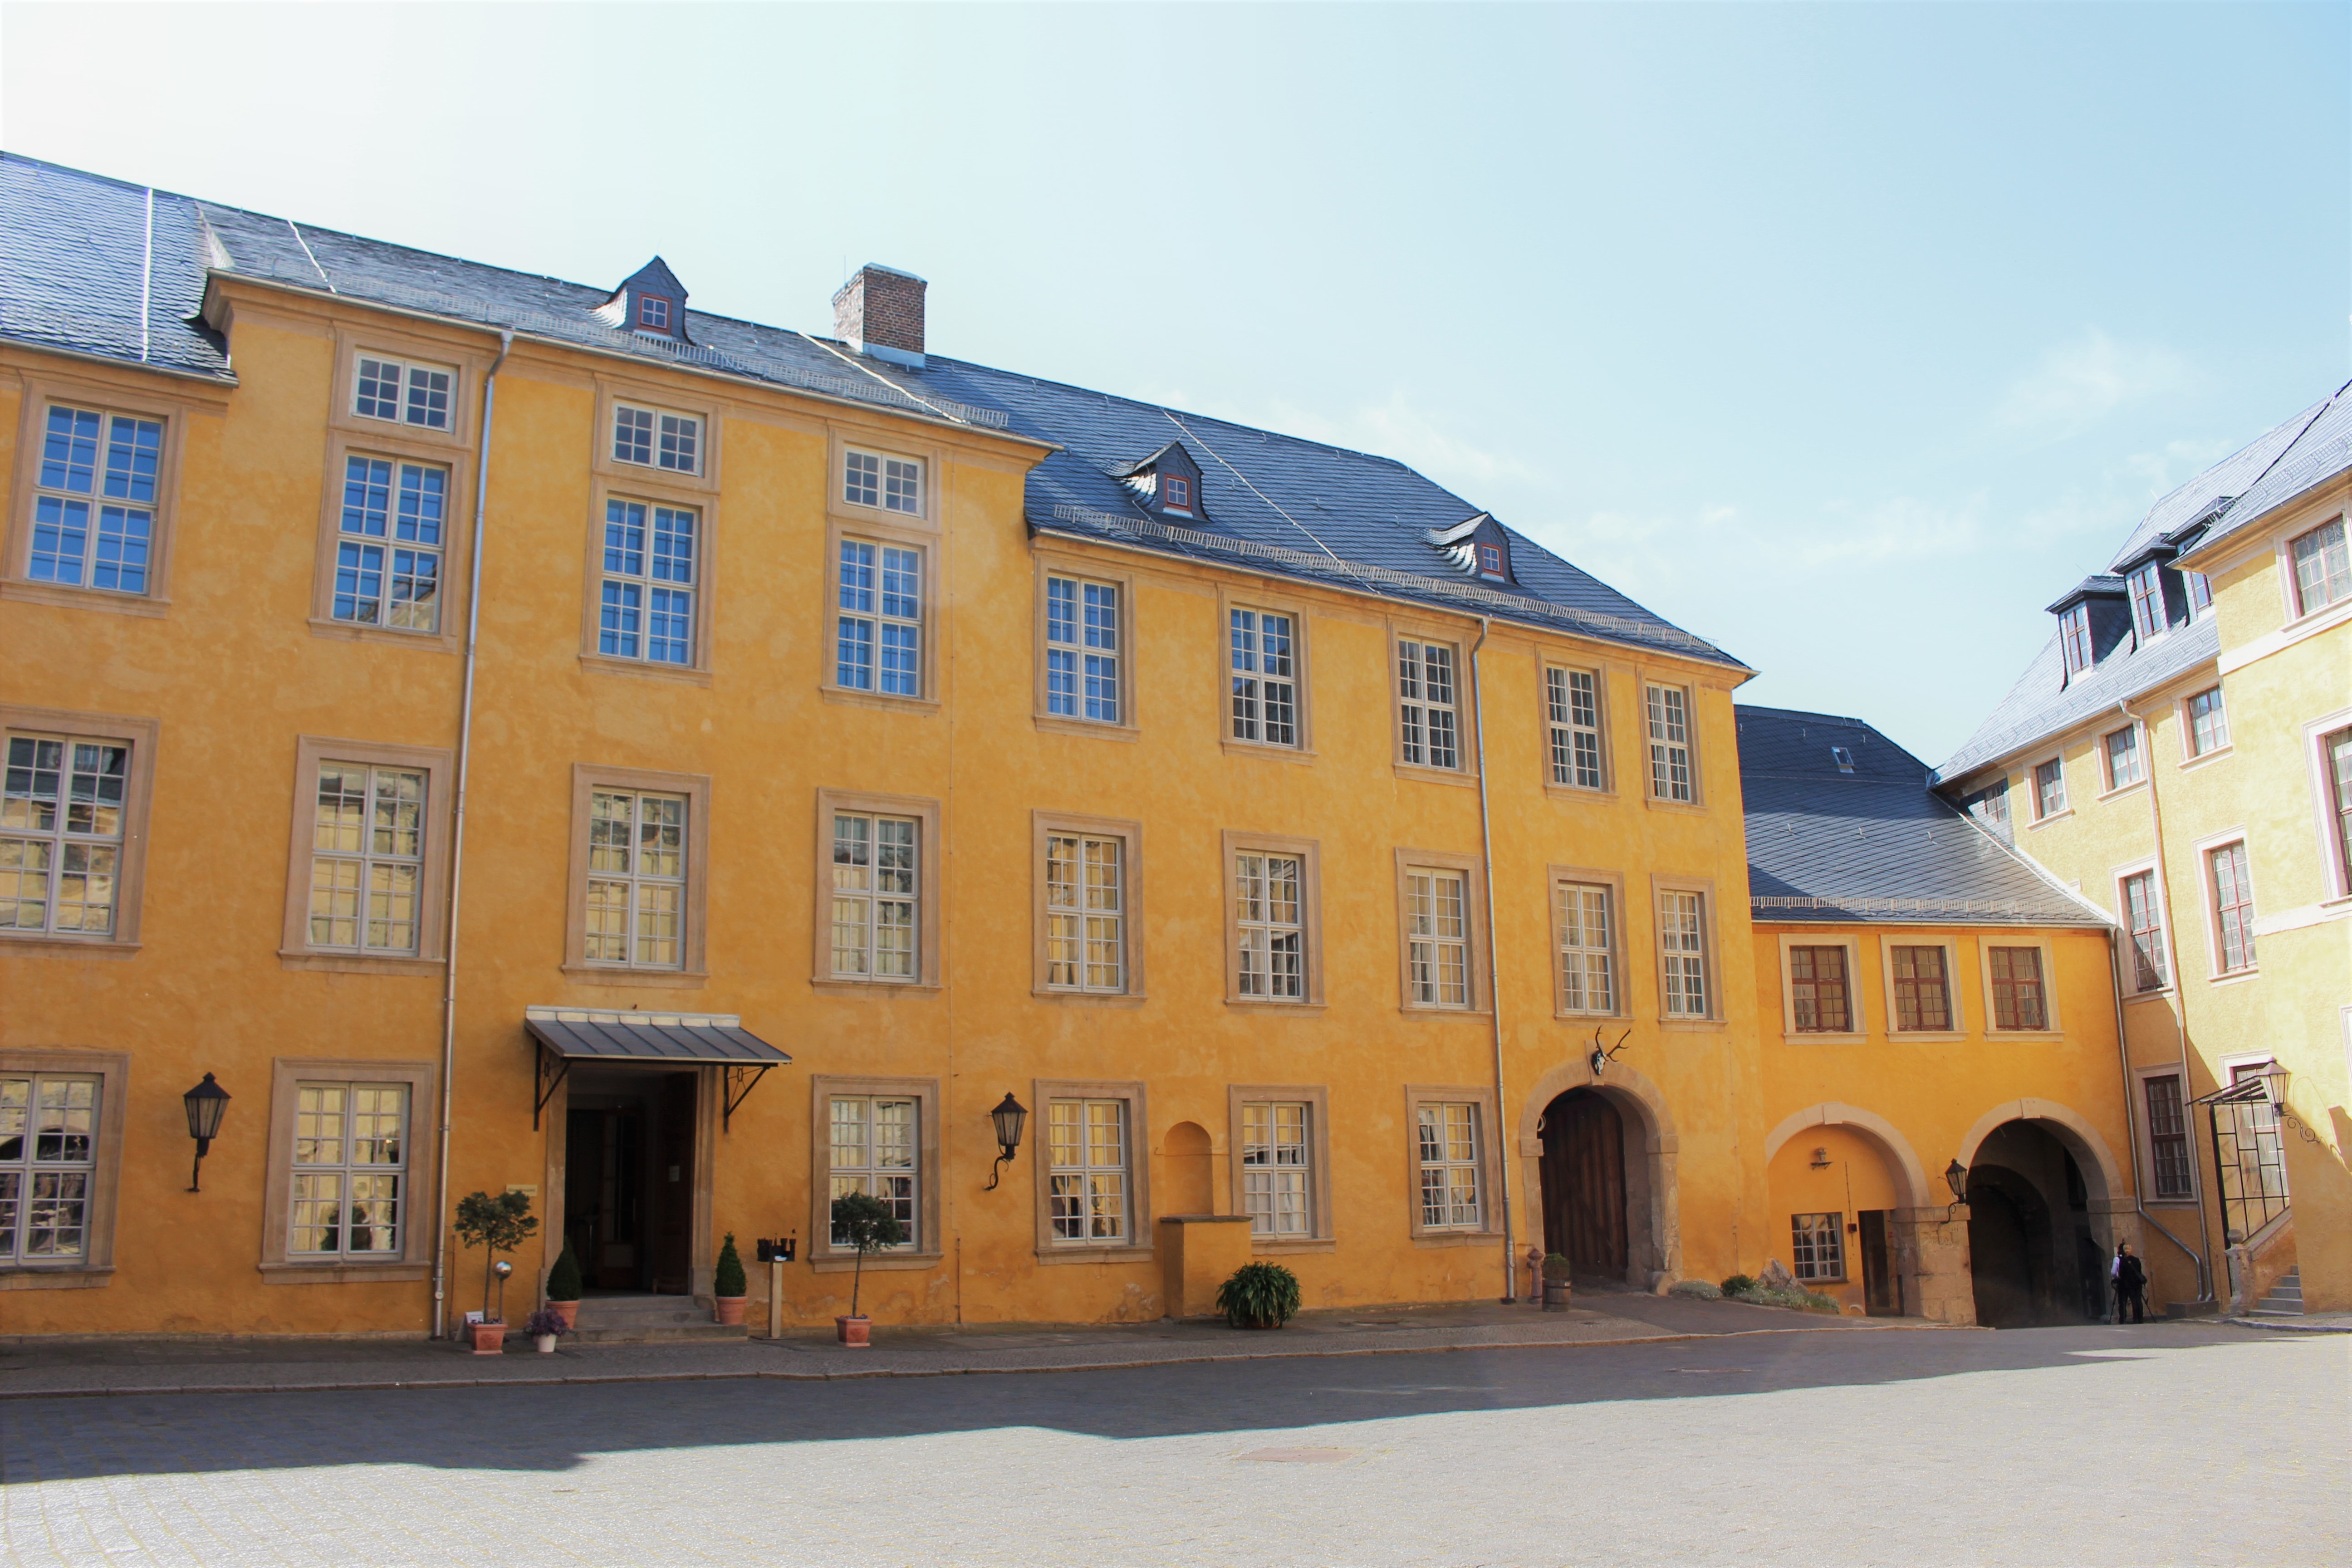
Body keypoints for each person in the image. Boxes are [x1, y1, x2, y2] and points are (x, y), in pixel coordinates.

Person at [2112, 1241, 2147, 1323]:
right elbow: (2139, 1271)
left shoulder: (2123, 1261)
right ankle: (2140, 1318)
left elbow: (2122, 1273)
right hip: (2137, 1283)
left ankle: (2132, 1319)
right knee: (2139, 1300)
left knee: (2133, 1300)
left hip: (2128, 1284)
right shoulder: (2137, 1260)